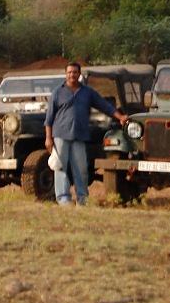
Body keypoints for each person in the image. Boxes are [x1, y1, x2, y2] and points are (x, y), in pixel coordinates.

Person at [45, 62, 129, 206]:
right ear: (66, 74)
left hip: (79, 136)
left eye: (75, 72)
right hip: (60, 135)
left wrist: (120, 117)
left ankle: (82, 199)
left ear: (79, 74)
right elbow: (49, 118)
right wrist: (48, 138)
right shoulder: (57, 92)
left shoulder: (87, 92)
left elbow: (105, 106)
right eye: (70, 72)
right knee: (60, 167)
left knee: (81, 169)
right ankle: (63, 199)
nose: (72, 75)